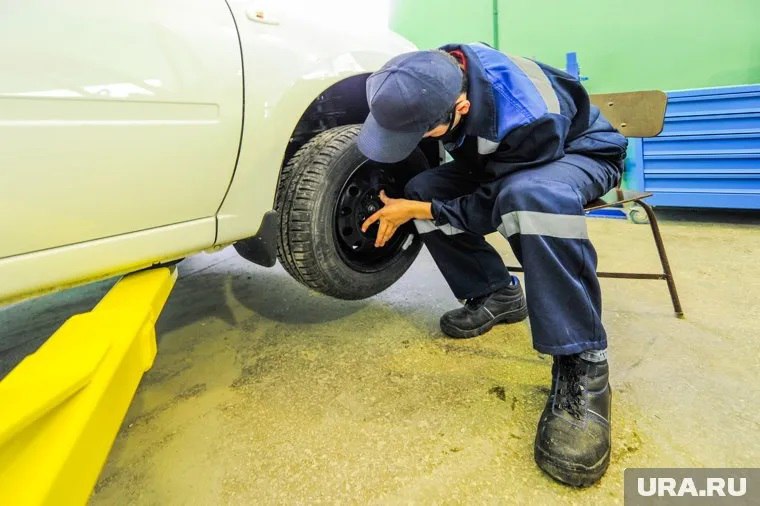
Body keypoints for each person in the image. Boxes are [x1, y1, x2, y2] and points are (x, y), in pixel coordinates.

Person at [357, 43, 627, 487]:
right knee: (423, 187)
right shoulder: (430, 71)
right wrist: (418, 201)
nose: (421, 140)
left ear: (460, 106)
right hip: (502, 160)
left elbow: (496, 205)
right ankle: (496, 292)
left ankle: (583, 360)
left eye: (424, 132)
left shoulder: (528, 113)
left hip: (574, 153)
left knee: (531, 200)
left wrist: (419, 213)